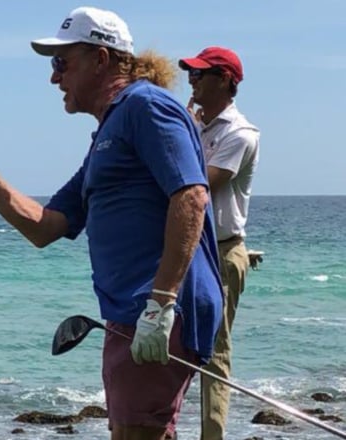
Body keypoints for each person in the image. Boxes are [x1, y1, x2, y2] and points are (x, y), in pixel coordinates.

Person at [0, 6, 223, 440]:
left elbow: (190, 195)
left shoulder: (145, 106)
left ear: (101, 59)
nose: (54, 77)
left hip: (156, 311)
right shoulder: (108, 135)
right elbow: (44, 226)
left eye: (62, 63)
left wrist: (161, 303)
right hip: (134, 314)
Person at [179, 47, 260, 440]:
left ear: (226, 81)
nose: (192, 80)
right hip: (187, 245)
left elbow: (197, 186)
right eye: (192, 73)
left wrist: (181, 130)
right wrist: (184, 124)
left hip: (222, 248)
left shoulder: (240, 133)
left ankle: (212, 437)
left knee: (215, 351)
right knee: (172, 341)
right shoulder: (194, 125)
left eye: (201, 73)